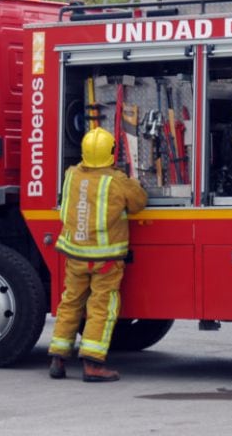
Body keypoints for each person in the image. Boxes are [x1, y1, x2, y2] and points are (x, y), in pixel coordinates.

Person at [48, 127, 147, 382]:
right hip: (105, 260)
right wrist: (134, 182)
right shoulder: (116, 181)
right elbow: (138, 203)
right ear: (111, 153)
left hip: (75, 255)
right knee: (101, 308)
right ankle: (92, 365)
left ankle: (58, 359)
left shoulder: (71, 175)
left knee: (70, 303)